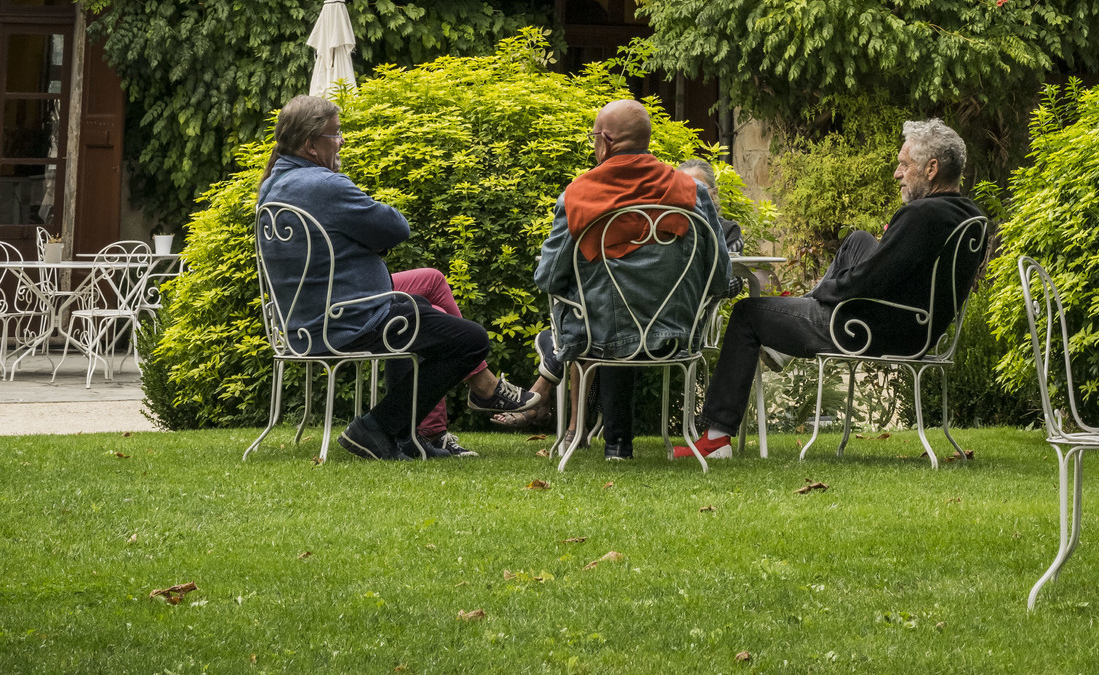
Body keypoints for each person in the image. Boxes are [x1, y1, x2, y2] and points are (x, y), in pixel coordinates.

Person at [673, 116, 985, 464]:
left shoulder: (921, 216)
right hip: (914, 329)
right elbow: (888, 272)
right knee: (858, 241)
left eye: (903, 165)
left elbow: (870, 281)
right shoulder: (969, 216)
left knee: (748, 313)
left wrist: (824, 294)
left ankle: (716, 438)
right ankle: (791, 332)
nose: (897, 173)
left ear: (931, 168)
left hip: (866, 330)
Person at [255, 94, 539, 461]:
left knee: (418, 303)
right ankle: (375, 428)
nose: (341, 141)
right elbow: (396, 227)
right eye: (336, 135)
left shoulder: (274, 185)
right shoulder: (324, 185)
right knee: (471, 339)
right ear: (310, 144)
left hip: (303, 322)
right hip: (346, 319)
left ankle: (411, 436)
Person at [505, 98, 733, 461]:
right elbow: (721, 274)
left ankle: (611, 442)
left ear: (606, 142)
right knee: (615, 314)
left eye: (595, 136)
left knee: (601, 315)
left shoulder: (577, 195)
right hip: (678, 336)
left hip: (599, 339)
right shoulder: (693, 193)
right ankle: (616, 442)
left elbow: (547, 277)